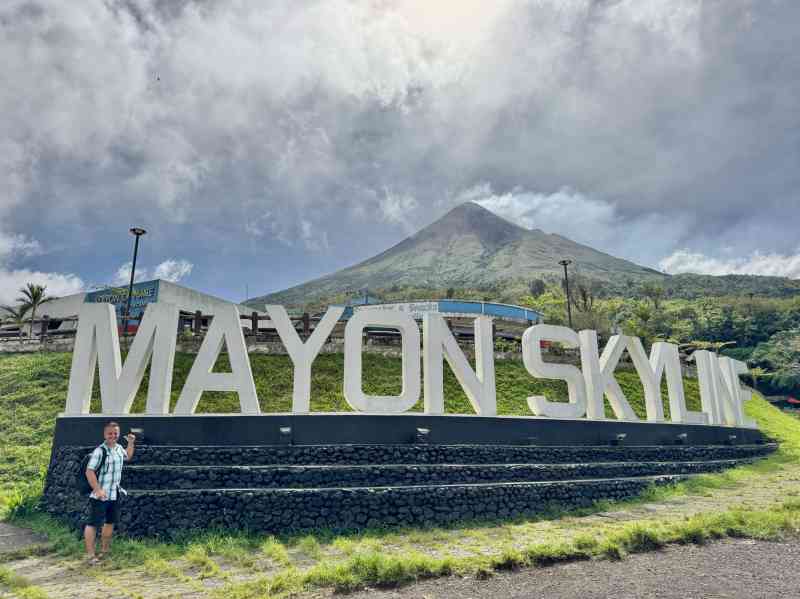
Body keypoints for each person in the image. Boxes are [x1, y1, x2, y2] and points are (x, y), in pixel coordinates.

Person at [84, 421, 135, 564]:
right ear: (104, 434)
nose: (113, 436)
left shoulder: (119, 448)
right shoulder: (100, 451)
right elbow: (89, 471)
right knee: (93, 524)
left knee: (110, 522)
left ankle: (104, 551)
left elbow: (128, 456)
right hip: (100, 495)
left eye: (115, 433)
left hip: (115, 494)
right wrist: (98, 490)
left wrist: (130, 443)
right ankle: (90, 555)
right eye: (110, 433)